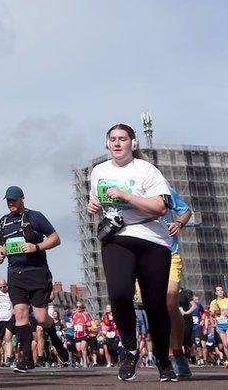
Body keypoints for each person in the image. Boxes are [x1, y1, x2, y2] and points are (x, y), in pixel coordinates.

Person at [87, 123, 176, 381]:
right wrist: (92, 206)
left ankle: (162, 359)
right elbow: (96, 200)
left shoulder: (146, 170)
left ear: (132, 143)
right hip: (117, 237)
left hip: (151, 238)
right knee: (120, 295)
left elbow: (160, 207)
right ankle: (129, 349)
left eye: (122, 139)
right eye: (112, 139)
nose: (117, 144)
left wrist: (127, 196)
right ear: (107, 143)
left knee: (155, 304)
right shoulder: (99, 171)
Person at [0, 185, 70, 372]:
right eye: (8, 200)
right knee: (20, 313)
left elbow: (55, 239)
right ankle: (27, 359)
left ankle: (56, 340)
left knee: (41, 317)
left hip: (37, 272)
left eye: (14, 199)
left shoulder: (36, 216)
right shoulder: (4, 221)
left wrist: (36, 247)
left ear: (22, 199)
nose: (11, 203)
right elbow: (1, 244)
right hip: (15, 274)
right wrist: (0, 254)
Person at [165, 186, 194, 378]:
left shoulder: (162, 186)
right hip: (143, 255)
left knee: (170, 302)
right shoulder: (124, 189)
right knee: (155, 307)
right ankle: (165, 355)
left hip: (170, 253)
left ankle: (177, 353)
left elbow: (185, 210)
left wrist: (179, 223)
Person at [71, 302, 93, 367]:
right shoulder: (74, 314)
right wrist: (73, 325)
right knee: (78, 349)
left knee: (83, 348)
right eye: (77, 307)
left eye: (80, 307)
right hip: (77, 334)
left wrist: (83, 324)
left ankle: (85, 363)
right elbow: (72, 323)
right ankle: (81, 359)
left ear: (82, 307)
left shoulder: (86, 314)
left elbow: (90, 324)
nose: (78, 308)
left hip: (84, 334)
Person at [210, 285, 228, 362]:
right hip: (220, 325)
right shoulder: (214, 302)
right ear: (216, 293)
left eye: (221, 290)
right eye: (218, 290)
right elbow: (211, 314)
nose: (220, 292)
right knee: (225, 345)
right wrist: (215, 312)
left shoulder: (227, 300)